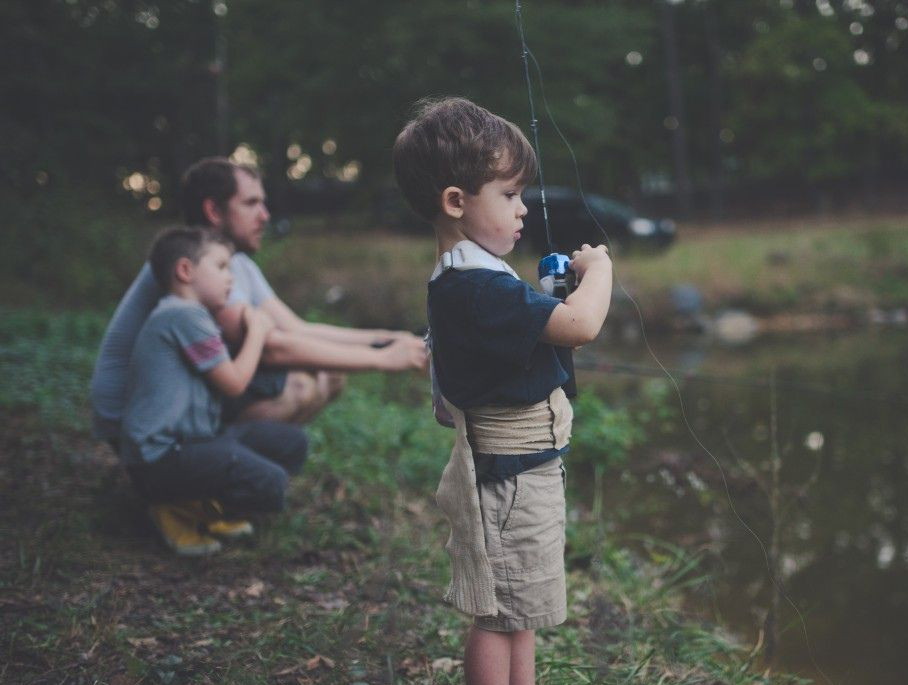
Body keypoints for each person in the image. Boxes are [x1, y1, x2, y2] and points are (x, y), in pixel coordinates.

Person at [393, 97, 612, 685]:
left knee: (521, 610)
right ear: (456, 202)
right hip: (511, 480)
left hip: (522, 471)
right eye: (510, 194)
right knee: (499, 616)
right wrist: (600, 271)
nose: (523, 208)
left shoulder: (473, 277)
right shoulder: (477, 287)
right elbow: (581, 326)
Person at [90, 158, 427, 445]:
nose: (265, 215)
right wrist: (384, 360)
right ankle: (211, 477)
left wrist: (386, 338)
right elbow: (273, 348)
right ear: (213, 210)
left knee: (330, 374)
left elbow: (297, 328)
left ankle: (238, 470)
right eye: (251, 204)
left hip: (180, 400)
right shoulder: (195, 271)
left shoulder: (234, 263)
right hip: (134, 421)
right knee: (300, 385)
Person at [122, 226, 308, 556]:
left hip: (194, 442)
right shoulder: (182, 315)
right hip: (160, 459)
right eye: (221, 267)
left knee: (292, 442)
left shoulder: (190, 315)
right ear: (185, 271)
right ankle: (177, 509)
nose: (230, 278)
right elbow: (234, 382)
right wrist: (258, 330)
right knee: (271, 483)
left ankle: (199, 503)